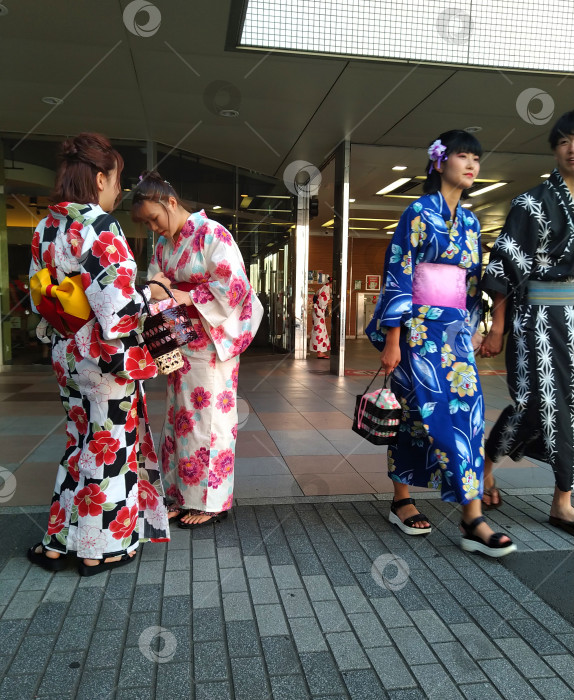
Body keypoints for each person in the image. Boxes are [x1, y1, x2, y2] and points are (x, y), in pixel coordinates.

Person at [367, 129, 516, 557]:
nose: (472, 165)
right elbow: (399, 270)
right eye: (463, 156)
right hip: (415, 328)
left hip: (454, 331)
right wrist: (393, 338)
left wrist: (474, 327)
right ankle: (404, 499)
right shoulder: (416, 212)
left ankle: (471, 518)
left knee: (467, 412)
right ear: (439, 162)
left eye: (476, 159)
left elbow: (471, 284)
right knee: (416, 412)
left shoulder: (470, 222)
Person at [27, 133, 169, 576]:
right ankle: (98, 547)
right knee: (112, 450)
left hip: (65, 352)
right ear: (101, 177)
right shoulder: (100, 227)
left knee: (79, 443)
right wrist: (153, 296)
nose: (118, 190)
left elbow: (39, 299)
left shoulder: (45, 226)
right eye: (117, 181)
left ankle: (58, 542)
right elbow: (119, 310)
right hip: (103, 358)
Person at [131, 172, 263, 528]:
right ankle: (177, 494)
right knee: (179, 418)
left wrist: (183, 295)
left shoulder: (213, 234)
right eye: (146, 224)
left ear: (170, 202)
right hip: (179, 337)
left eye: (154, 219)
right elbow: (157, 284)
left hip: (211, 339)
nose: (154, 228)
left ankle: (212, 500)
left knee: (209, 420)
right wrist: (158, 293)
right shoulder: (163, 246)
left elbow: (234, 287)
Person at [480, 110, 574, 532]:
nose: (573, 149)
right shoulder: (531, 202)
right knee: (535, 402)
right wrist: (497, 327)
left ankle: (561, 499)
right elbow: (504, 267)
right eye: (565, 140)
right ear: (555, 148)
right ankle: (485, 466)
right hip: (536, 318)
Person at [310, 276, 331, 358]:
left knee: (319, 331)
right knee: (319, 332)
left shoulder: (323, 288)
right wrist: (330, 301)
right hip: (319, 312)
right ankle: (320, 352)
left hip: (317, 312)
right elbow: (322, 302)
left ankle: (320, 351)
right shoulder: (325, 289)